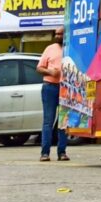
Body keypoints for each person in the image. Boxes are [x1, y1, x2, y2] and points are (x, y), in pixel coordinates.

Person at [36, 28, 69, 161]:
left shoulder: (71, 48)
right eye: (56, 34)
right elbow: (39, 68)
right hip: (50, 87)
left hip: (65, 88)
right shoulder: (50, 48)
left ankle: (62, 152)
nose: (58, 36)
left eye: (60, 34)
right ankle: (45, 153)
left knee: (63, 122)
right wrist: (51, 72)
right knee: (48, 121)